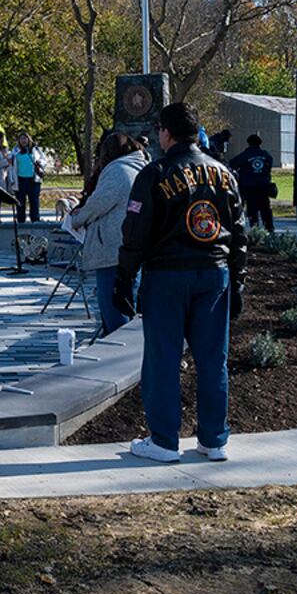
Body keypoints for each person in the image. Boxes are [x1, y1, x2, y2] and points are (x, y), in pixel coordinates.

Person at [114, 102, 246, 465]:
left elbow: (135, 233)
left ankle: (164, 441)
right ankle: (214, 439)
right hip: (214, 271)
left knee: (163, 359)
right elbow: (239, 232)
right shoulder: (224, 172)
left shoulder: (154, 173)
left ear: (165, 133)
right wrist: (239, 280)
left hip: (166, 275)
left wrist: (124, 277)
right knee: (212, 360)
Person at [69, 132, 145, 335]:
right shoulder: (138, 167)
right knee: (128, 301)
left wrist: (77, 218)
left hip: (112, 250)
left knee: (114, 309)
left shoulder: (118, 171)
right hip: (131, 248)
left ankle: (118, 351)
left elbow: (98, 203)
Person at [229, 133, 276, 232]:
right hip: (264, 187)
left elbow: (232, 164)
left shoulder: (245, 155)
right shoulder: (266, 155)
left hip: (249, 188)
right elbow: (269, 166)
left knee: (252, 210)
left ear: (248, 143)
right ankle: (269, 228)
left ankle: (255, 231)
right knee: (265, 209)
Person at [11, 132, 42, 222]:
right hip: (20, 180)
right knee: (20, 202)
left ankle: (35, 219)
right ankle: (21, 220)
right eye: (21, 139)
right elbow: (11, 165)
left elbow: (43, 160)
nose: (23, 140)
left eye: (25, 138)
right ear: (19, 141)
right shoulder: (15, 150)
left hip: (33, 180)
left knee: (34, 201)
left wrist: (40, 163)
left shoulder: (35, 149)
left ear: (29, 139)